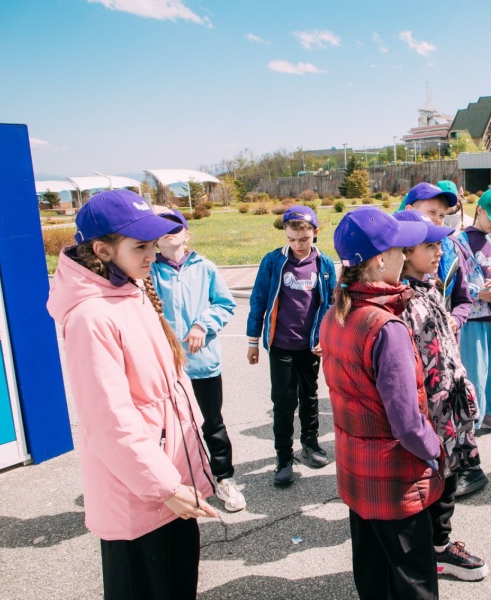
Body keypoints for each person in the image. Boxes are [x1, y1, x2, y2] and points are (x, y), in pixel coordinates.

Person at [46, 190, 217, 599]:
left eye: (153, 245)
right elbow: (110, 422)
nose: (152, 255)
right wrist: (164, 486)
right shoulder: (91, 317)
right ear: (102, 251)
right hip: (141, 497)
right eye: (140, 247)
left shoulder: (132, 290)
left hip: (169, 483)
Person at [320, 207, 444, 600]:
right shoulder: (385, 327)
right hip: (394, 482)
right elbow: (407, 423)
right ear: (378, 260)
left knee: (373, 575)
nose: (404, 255)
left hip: (357, 474)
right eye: (398, 249)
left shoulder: (336, 314)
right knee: (413, 584)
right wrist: (436, 449)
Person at [395, 209, 490, 580]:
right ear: (405, 252)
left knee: (448, 477)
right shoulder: (404, 300)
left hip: (448, 407)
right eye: (430, 246)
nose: (439, 251)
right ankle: (435, 549)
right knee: (435, 480)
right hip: (429, 411)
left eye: (439, 244)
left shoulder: (429, 287)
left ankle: (436, 544)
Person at [151, 208, 245, 513]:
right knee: (167, 429)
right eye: (161, 228)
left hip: (202, 365)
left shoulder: (205, 268)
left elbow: (224, 304)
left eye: (175, 227)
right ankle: (175, 486)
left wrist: (203, 324)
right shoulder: (148, 272)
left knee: (212, 424)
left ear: (187, 234)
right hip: (165, 368)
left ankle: (224, 479)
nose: (169, 232)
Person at [246, 205, 337, 486]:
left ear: (315, 233)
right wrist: (252, 341)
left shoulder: (324, 264)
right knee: (284, 401)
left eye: (304, 239)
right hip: (281, 345)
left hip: (310, 346)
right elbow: (259, 300)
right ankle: (283, 457)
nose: (298, 245)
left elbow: (331, 305)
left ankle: (310, 444)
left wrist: (325, 338)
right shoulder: (273, 261)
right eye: (292, 239)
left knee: (310, 396)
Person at [456, 189, 491, 434]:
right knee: (475, 372)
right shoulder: (460, 241)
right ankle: (471, 421)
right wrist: (478, 293)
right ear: (479, 210)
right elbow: (454, 282)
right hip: (473, 318)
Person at [400, 181, 473, 333]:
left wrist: (456, 319)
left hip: (444, 339)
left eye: (442, 215)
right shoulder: (391, 251)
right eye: (431, 212)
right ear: (409, 210)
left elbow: (464, 300)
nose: (437, 219)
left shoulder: (452, 248)